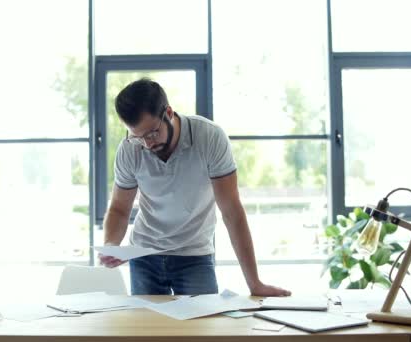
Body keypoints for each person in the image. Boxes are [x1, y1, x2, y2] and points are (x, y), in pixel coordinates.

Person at [99, 78, 290, 297]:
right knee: (148, 330)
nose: (147, 144)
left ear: (168, 113)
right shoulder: (129, 150)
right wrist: (111, 244)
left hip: (194, 255)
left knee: (203, 328)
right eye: (138, 137)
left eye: (152, 133)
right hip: (145, 255)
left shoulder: (209, 138)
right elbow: (119, 209)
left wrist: (254, 283)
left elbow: (232, 213)